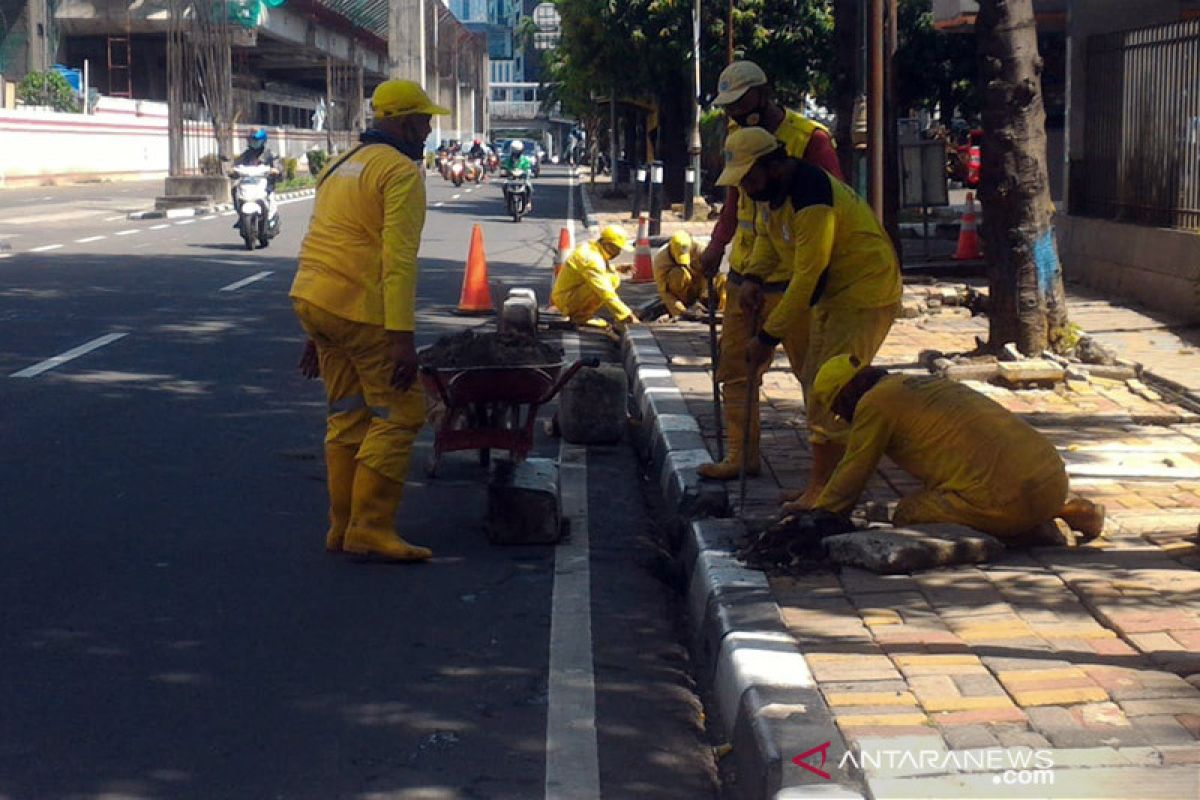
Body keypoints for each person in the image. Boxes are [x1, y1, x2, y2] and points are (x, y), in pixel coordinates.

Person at [289, 79, 450, 563]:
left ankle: (341, 526)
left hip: (315, 301)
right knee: (402, 414)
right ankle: (372, 527)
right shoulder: (400, 172)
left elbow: (323, 237)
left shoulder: (338, 165)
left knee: (347, 415)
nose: (427, 130)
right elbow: (398, 262)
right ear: (402, 123)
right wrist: (402, 340)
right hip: (360, 310)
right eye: (423, 121)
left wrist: (315, 333)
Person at [717, 126, 901, 511]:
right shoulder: (775, 195)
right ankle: (825, 485)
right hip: (836, 295)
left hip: (864, 294)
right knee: (820, 384)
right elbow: (769, 240)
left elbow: (807, 277)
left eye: (750, 178)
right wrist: (753, 276)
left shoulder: (811, 197)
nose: (747, 188)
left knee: (830, 387)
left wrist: (766, 338)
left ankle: (830, 493)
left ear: (774, 165)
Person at [697, 60, 844, 483]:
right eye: (728, 107)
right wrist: (716, 246)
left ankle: (829, 475)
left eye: (740, 103)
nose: (734, 113)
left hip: (797, 279)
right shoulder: (736, 139)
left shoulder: (809, 140)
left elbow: (835, 203)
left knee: (815, 378)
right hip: (747, 275)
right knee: (735, 371)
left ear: (762, 94)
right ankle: (740, 457)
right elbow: (733, 204)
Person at [797, 354, 1107, 540]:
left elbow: (854, 470)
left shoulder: (874, 404)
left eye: (840, 409)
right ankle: (1068, 509)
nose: (844, 418)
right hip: (1051, 478)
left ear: (848, 394)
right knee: (986, 487)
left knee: (908, 512)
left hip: (1005, 499)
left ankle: (1025, 531)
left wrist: (820, 517)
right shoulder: (919, 384)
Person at [551, 225, 638, 332]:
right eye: (617, 248)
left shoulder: (592, 249)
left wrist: (616, 268)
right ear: (607, 245)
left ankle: (582, 314)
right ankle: (580, 317)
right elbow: (605, 292)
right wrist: (627, 316)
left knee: (611, 276)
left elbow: (593, 270)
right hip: (566, 300)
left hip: (567, 295)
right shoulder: (591, 259)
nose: (618, 253)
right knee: (608, 281)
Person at [653, 230, 725, 320]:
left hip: (700, 287)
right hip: (683, 293)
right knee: (679, 274)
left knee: (722, 279)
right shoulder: (660, 261)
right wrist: (681, 312)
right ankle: (688, 305)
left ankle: (723, 311)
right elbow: (664, 292)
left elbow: (711, 274)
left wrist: (704, 299)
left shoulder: (701, 249)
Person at [231, 128, 279, 223]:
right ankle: (241, 215)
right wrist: (232, 171)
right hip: (248, 183)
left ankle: (270, 218)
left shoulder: (269, 154)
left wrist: (275, 170)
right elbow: (236, 165)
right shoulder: (245, 155)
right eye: (251, 140)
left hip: (264, 183)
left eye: (256, 140)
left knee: (270, 195)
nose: (253, 143)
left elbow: (278, 167)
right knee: (234, 189)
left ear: (263, 141)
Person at [502, 139, 534, 212]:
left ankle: (528, 202)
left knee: (529, 186)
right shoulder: (509, 159)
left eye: (517, 152)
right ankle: (506, 200)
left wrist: (527, 171)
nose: (516, 153)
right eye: (515, 152)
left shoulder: (524, 159)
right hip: (512, 178)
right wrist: (506, 170)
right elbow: (505, 165)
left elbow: (528, 166)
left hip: (522, 179)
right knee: (504, 185)